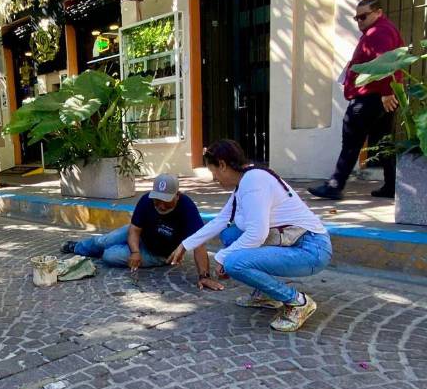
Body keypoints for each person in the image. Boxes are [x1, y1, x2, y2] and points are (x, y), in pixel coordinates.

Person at [170, 140, 332, 332]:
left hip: (311, 249)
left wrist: (222, 257)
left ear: (222, 165)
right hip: (294, 242)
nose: (215, 179)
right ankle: (266, 294)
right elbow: (221, 220)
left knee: (234, 262)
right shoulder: (246, 180)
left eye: (213, 172)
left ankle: (297, 302)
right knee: (230, 234)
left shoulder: (254, 181)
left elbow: (258, 233)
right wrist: (185, 245)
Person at [309, 0, 404, 200]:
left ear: (378, 12)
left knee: (352, 138)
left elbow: (385, 61)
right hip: (381, 96)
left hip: (371, 96)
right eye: (357, 18)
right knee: (383, 141)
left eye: (363, 16)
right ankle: (392, 186)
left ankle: (335, 185)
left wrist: (387, 91)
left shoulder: (380, 31)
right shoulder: (379, 30)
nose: (359, 21)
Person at [61, 174, 224, 291]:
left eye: (165, 200)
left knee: (109, 255)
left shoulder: (187, 208)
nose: (160, 204)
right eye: (157, 199)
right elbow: (134, 229)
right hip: (140, 238)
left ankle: (97, 253)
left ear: (177, 196)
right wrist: (135, 251)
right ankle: (77, 248)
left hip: (158, 254)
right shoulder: (146, 200)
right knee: (103, 241)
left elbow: (199, 243)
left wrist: (204, 276)